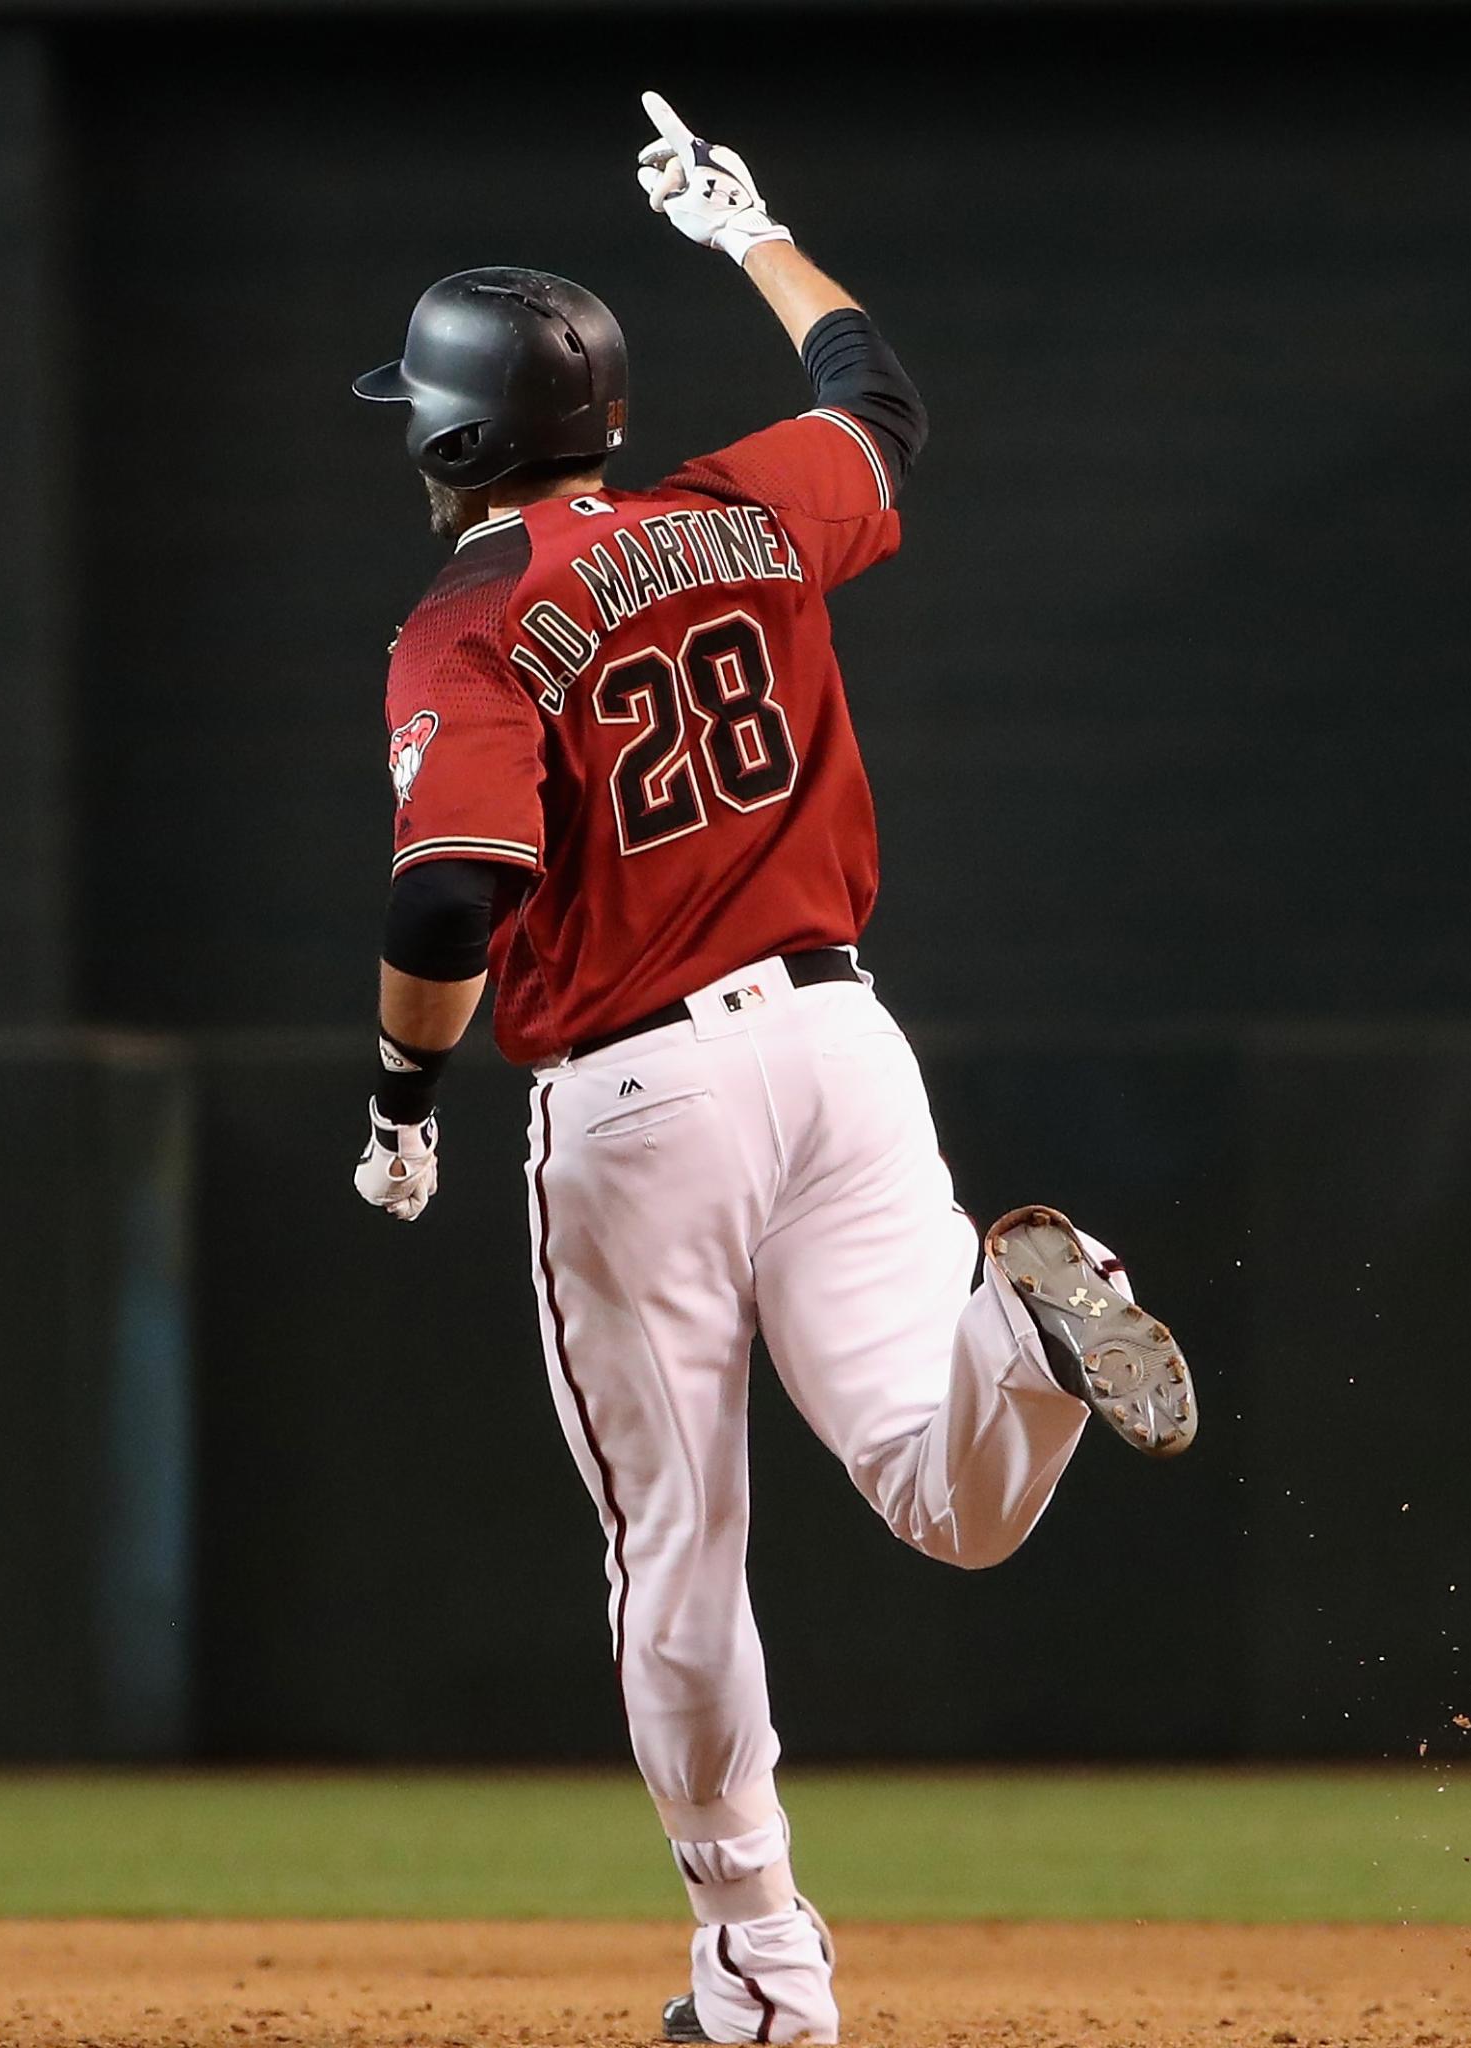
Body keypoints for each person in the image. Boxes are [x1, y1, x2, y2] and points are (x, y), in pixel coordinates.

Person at [347, 93, 1198, 2044]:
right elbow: (876, 398)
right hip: (840, 1037)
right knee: (950, 1487)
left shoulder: (469, 621)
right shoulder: (739, 508)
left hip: (639, 1102)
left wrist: (401, 1108)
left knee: (679, 1546)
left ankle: (764, 1964)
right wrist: (753, 230)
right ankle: (1033, 1333)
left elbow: (452, 899)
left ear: (458, 436)